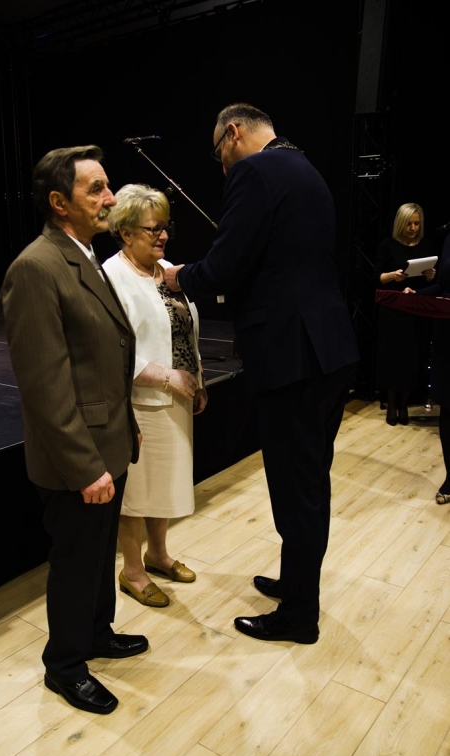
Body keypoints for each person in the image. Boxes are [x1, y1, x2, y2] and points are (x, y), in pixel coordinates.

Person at [164, 103, 359, 645]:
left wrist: (181, 277)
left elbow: (225, 266)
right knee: (310, 481)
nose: (223, 167)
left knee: (296, 490)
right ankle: (296, 584)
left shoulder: (254, 171)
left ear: (233, 133)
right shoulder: (306, 168)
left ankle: (298, 616)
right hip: (329, 349)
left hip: (291, 356)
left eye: (219, 153)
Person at [0, 145, 148, 715]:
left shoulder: (84, 255)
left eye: (107, 186)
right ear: (60, 202)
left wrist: (126, 426)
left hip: (107, 441)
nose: (110, 198)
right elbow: (46, 386)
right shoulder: (35, 268)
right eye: (97, 189)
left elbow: (106, 357)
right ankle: (64, 665)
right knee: (76, 562)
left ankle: (96, 633)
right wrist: (86, 466)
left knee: (99, 554)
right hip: (75, 459)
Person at [103, 183, 208, 607]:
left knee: (164, 484)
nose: (163, 236)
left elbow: (184, 327)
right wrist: (168, 377)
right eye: (153, 229)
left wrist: (197, 377)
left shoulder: (165, 269)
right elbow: (111, 349)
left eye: (165, 227)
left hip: (177, 398)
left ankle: (159, 555)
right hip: (140, 403)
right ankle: (132, 571)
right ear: (126, 232)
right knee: (137, 493)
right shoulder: (112, 277)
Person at [373, 202, 437, 426]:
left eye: (417, 224)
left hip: (415, 309)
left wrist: (429, 276)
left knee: (412, 357)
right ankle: (391, 404)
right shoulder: (388, 245)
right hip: (393, 310)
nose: (413, 228)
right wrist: (394, 276)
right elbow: (377, 278)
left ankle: (404, 404)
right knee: (392, 357)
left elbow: (433, 282)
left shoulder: (426, 245)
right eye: (409, 223)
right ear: (400, 223)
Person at [403, 232, 450, 504]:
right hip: (446, 333)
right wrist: (417, 294)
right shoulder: (449, 239)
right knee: (448, 408)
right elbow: (443, 284)